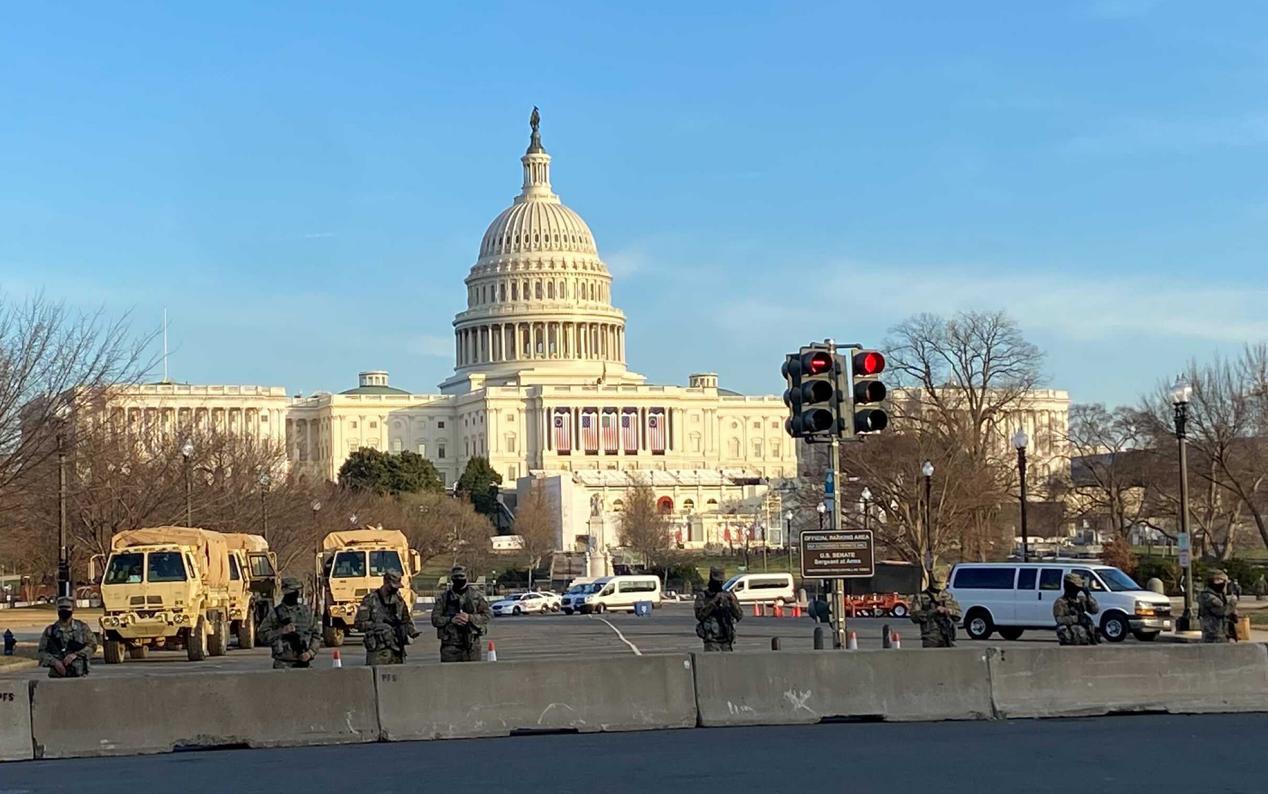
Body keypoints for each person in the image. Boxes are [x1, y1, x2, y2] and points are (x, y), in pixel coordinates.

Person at [355, 570, 419, 666]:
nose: (395, 589)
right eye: (392, 586)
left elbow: (406, 620)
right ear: (385, 582)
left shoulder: (399, 601)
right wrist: (379, 626)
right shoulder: (370, 600)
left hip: (397, 650)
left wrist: (410, 630)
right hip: (378, 651)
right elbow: (359, 624)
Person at [430, 565, 492, 662]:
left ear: (466, 578)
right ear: (452, 579)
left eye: (461, 576)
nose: (459, 579)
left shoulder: (476, 596)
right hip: (450, 647)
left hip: (472, 646)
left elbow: (487, 616)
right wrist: (451, 619)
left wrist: (469, 618)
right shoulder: (444, 598)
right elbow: (435, 619)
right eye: (456, 577)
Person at [258, 577, 321, 669]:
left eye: (296, 591)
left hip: (303, 663)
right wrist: (281, 631)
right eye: (292, 592)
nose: (295, 594)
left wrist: (310, 653)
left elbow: (316, 634)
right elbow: (262, 635)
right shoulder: (276, 613)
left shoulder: (306, 612)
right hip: (283, 663)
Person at [37, 597, 97, 678]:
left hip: (80, 674)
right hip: (57, 676)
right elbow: (41, 652)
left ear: (73, 609)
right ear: (57, 609)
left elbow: (92, 645)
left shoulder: (82, 628)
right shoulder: (50, 631)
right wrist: (54, 662)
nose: (64, 610)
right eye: (61, 607)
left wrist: (76, 655)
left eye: (67, 607)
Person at [694, 567, 742, 652]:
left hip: (727, 640)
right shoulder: (703, 595)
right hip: (712, 641)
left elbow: (739, 615)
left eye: (721, 581)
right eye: (717, 581)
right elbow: (700, 616)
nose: (719, 583)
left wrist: (732, 602)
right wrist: (714, 602)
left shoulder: (728, 595)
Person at [910, 571, 961, 648]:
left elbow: (958, 615)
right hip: (931, 638)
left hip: (948, 636)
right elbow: (914, 617)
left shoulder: (948, 596)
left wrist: (949, 611)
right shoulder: (920, 596)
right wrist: (933, 611)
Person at [1053, 572, 1100, 645]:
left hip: (1084, 637)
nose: (1078, 589)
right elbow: (1059, 620)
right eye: (1076, 587)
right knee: (1062, 628)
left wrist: (1088, 595)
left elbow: (1094, 610)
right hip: (1071, 637)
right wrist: (1077, 618)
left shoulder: (1081, 600)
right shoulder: (1061, 602)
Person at [1198, 569, 1240, 643]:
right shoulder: (1208, 596)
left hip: (1223, 634)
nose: (1222, 584)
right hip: (1213, 635)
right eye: (1218, 580)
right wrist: (1232, 603)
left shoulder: (1220, 595)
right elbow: (1221, 612)